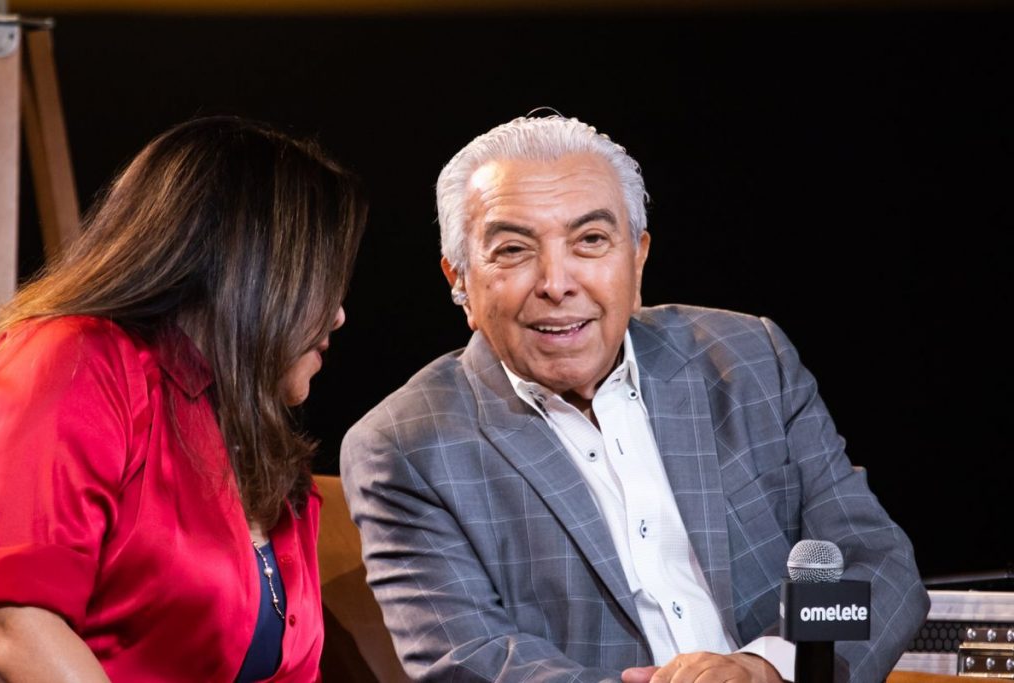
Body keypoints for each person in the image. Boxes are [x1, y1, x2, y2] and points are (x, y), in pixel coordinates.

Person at [340, 115, 928, 682]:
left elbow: (878, 563)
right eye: (515, 249)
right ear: (460, 282)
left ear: (638, 258)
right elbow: (473, 660)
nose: (556, 282)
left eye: (590, 240)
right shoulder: (405, 446)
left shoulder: (749, 359)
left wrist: (767, 669)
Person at [0, 116, 366, 681]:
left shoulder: (274, 464)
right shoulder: (76, 359)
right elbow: (15, 627)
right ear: (255, 266)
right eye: (321, 279)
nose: (337, 314)